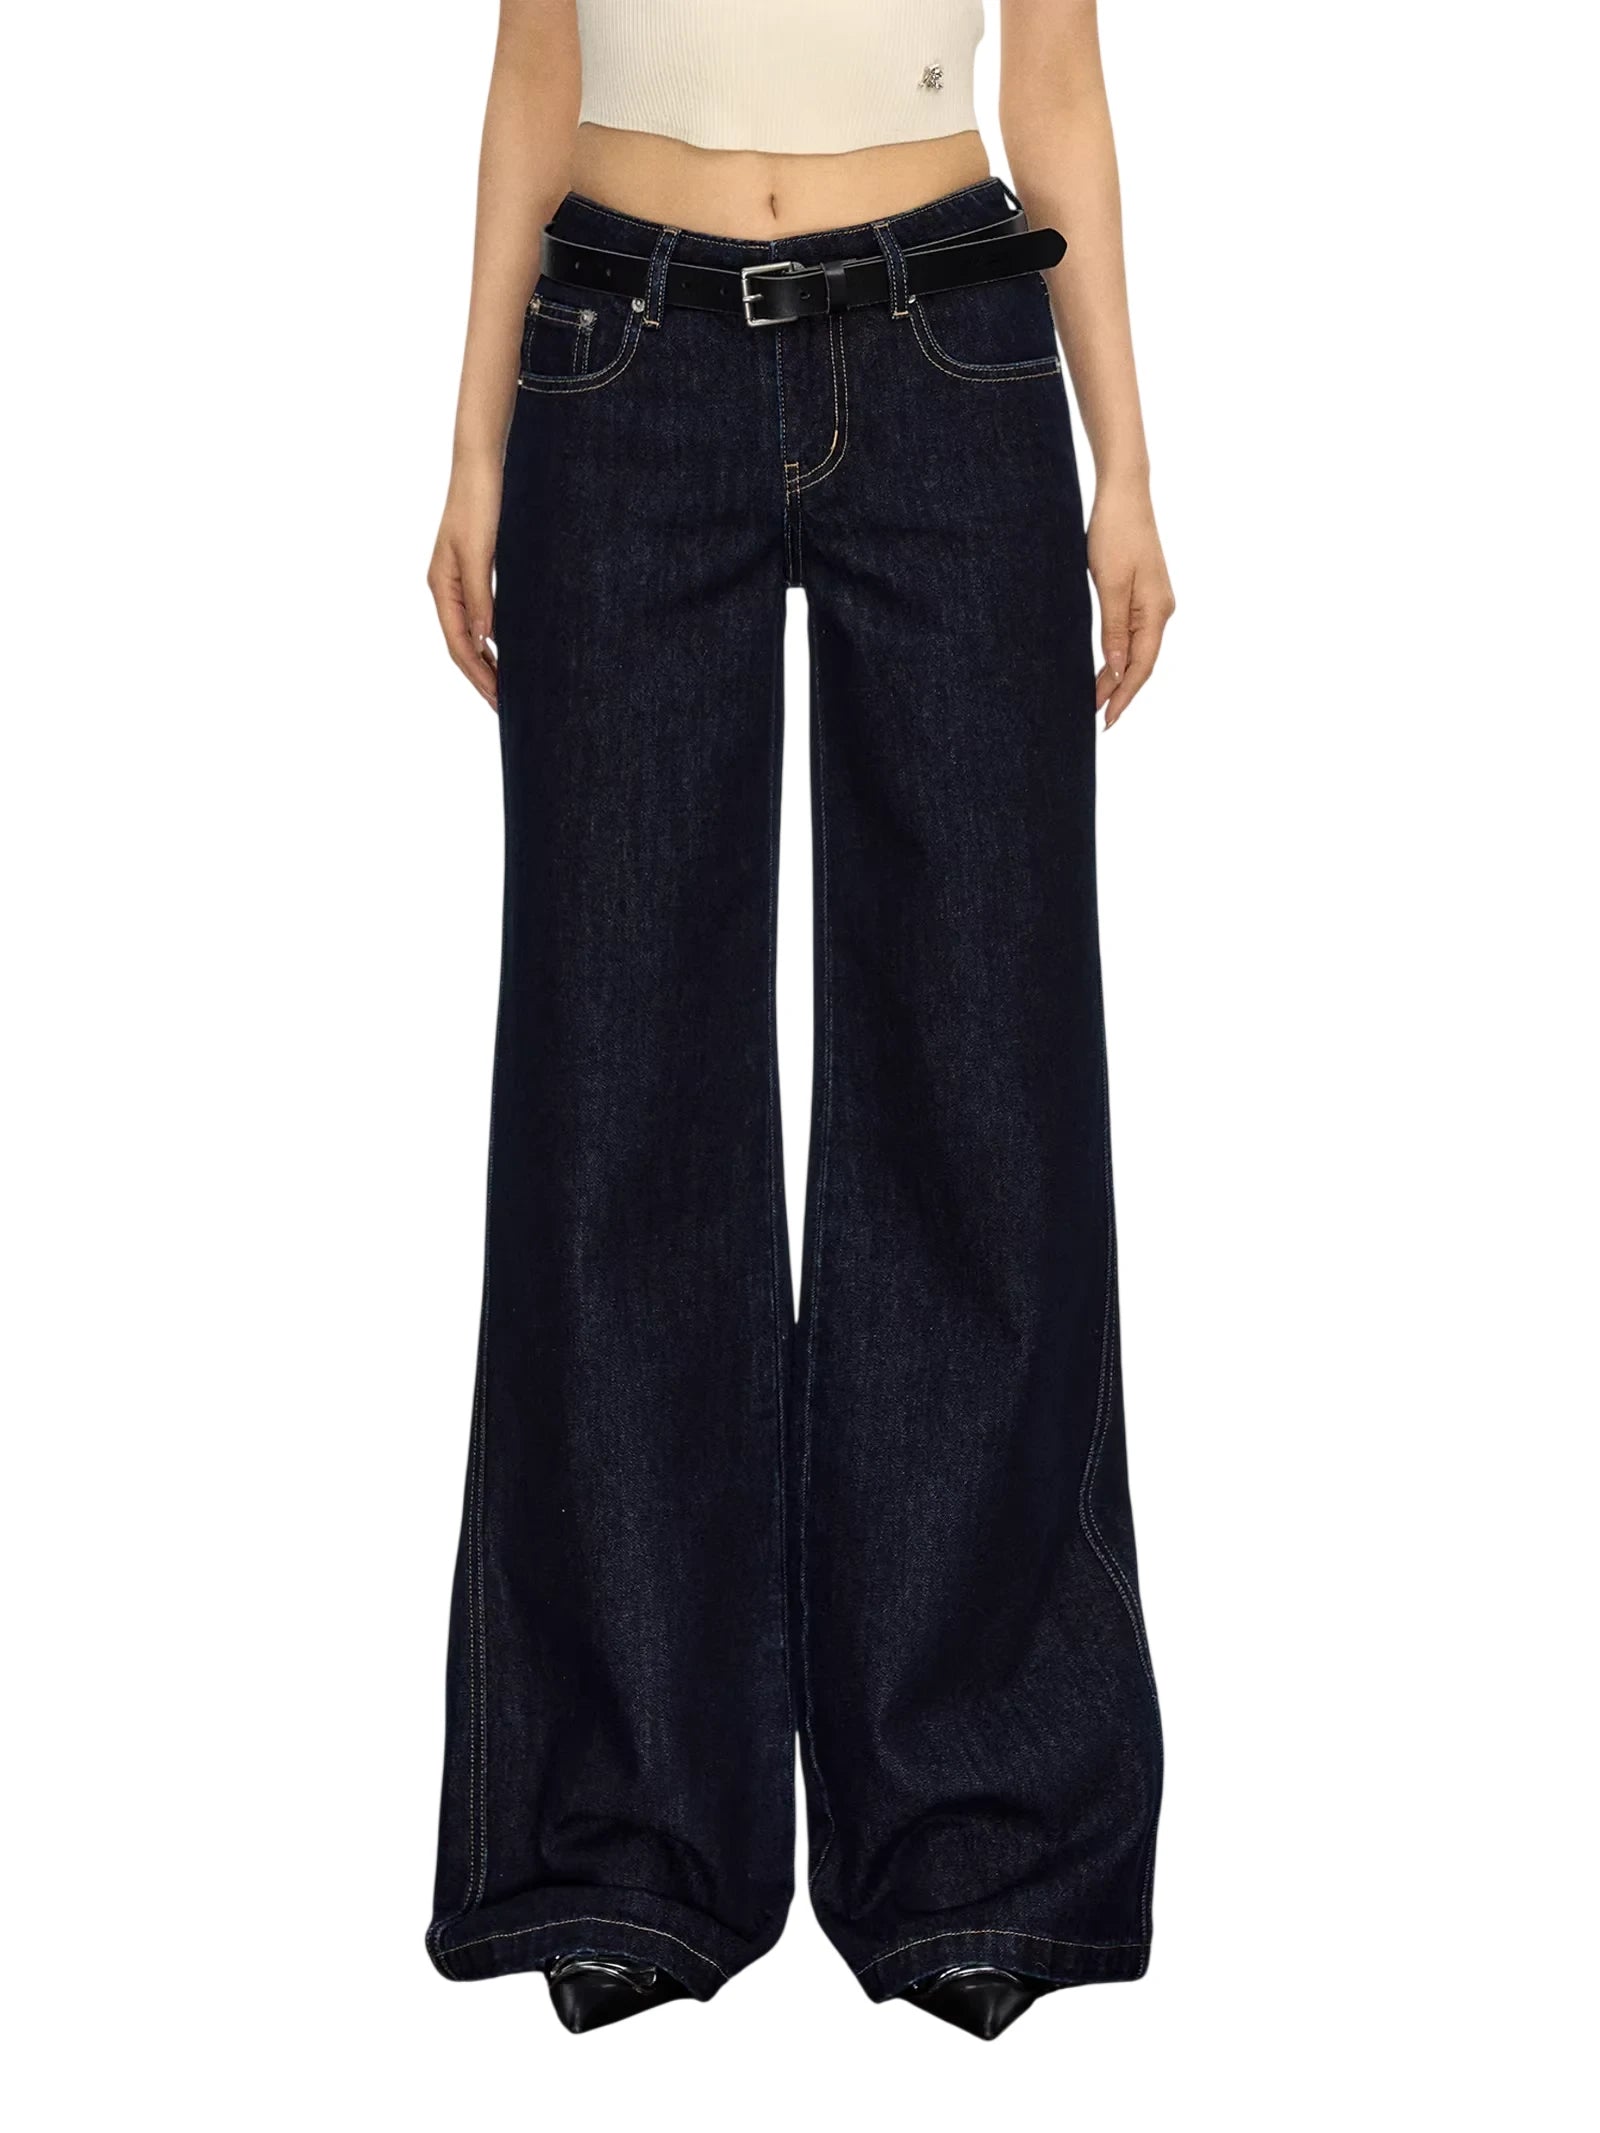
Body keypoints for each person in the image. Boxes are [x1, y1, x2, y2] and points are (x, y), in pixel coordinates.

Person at [425, 0, 1173, 2041]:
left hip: (946, 340)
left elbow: (1052, 73)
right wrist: (474, 443)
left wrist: (1125, 464)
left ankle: (977, 1830)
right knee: (610, 1095)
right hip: (619, 345)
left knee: (982, 1086)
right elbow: (535, 56)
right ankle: (623, 1828)